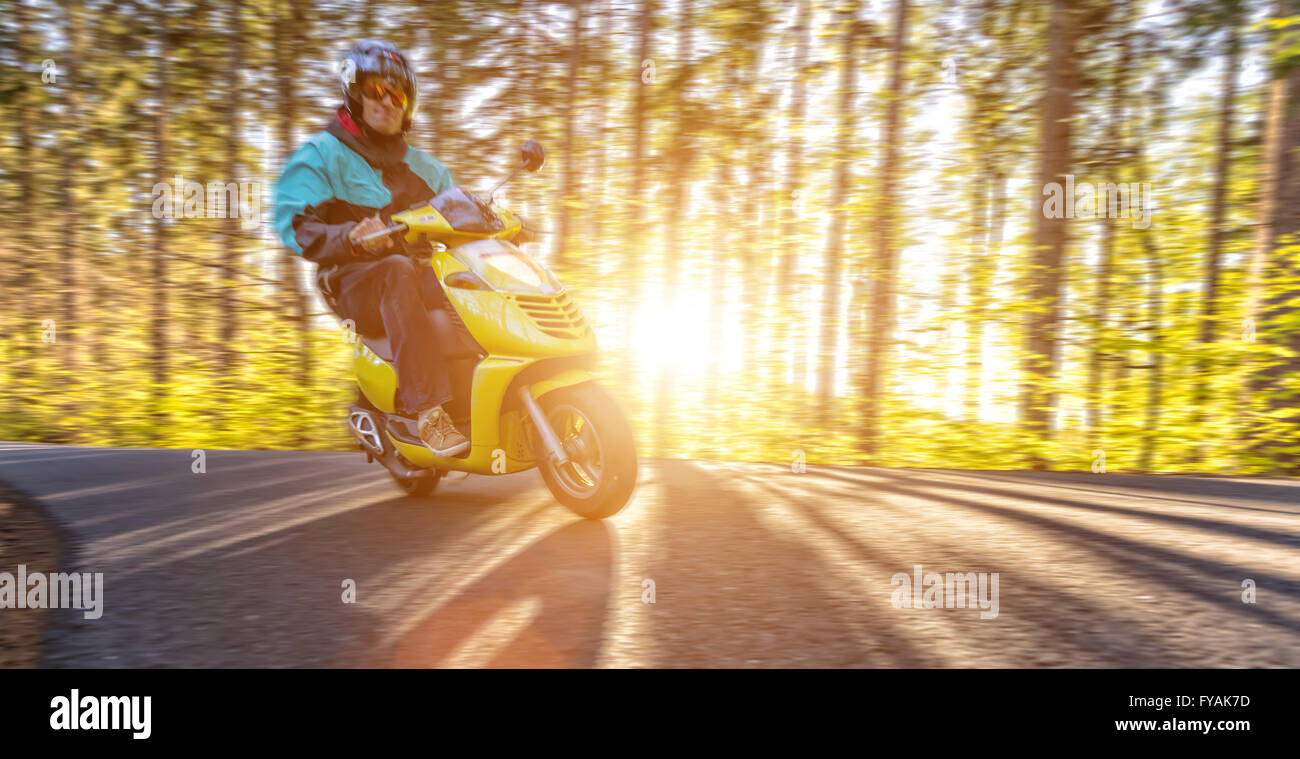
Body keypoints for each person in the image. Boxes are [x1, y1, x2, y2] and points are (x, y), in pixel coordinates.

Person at [274, 39, 470, 456]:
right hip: (349, 277)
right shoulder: (321, 155)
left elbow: (462, 212)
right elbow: (297, 226)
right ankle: (428, 413)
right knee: (396, 269)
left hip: (417, 273)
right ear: (354, 93)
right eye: (376, 90)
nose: (387, 102)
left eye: (397, 94)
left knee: (471, 283)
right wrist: (349, 238)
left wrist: (509, 224)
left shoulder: (427, 168)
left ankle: (479, 399)